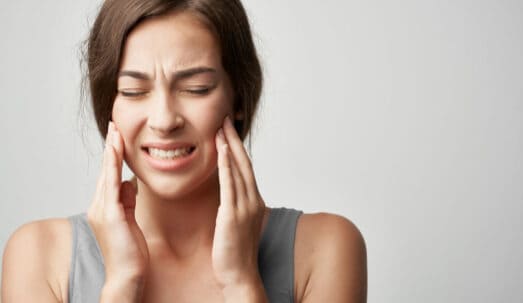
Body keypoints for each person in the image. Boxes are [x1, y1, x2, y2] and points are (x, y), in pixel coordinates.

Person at [1, 0, 367, 302]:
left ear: (237, 97)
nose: (164, 120)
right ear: (108, 105)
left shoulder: (324, 249)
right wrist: (122, 285)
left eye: (196, 88)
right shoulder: (40, 257)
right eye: (132, 91)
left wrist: (242, 284)